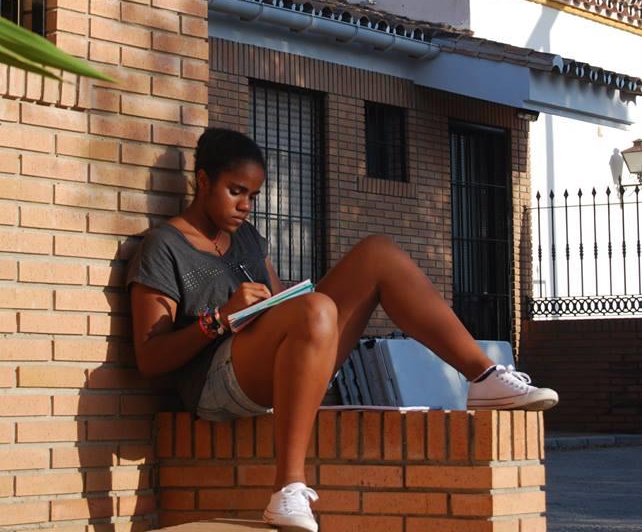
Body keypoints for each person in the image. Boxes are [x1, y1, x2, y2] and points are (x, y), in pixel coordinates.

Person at [128, 127, 558, 532]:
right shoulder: (164, 246)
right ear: (202, 181)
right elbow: (151, 358)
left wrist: (285, 307)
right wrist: (218, 318)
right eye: (235, 191)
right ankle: (287, 487)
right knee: (315, 308)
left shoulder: (247, 239)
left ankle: (482, 376)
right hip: (214, 385)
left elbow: (280, 309)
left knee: (378, 253)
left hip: (273, 368)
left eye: (253, 195)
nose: (245, 205)